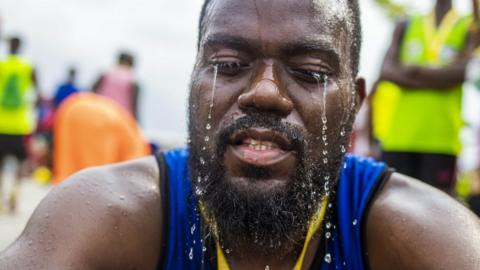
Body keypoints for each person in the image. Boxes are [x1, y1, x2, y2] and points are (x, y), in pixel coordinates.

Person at [1, 0, 479, 269]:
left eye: (310, 72)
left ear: (354, 102)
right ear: (192, 82)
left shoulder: (416, 233)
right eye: (229, 65)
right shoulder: (112, 215)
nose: (264, 93)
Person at [369, 0, 473, 194]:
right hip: (398, 138)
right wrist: (441, 77)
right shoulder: (406, 24)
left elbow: (465, 71)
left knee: (436, 212)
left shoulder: (468, 25)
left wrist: (412, 71)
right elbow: (386, 71)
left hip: (441, 141)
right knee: (392, 208)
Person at [52, 93, 150, 184]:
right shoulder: (139, 147)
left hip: (71, 107)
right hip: (99, 117)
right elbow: (131, 172)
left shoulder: (132, 129)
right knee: (95, 176)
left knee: (68, 160)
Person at [0, 36, 38, 213]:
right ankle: (15, 194)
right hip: (20, 123)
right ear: (21, 47)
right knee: (21, 162)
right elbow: (36, 92)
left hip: (1, 122)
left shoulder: (2, 64)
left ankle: (1, 197)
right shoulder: (28, 66)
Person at [92, 51, 140, 119]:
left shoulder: (105, 75)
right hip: (119, 118)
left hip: (99, 113)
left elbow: (91, 94)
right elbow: (134, 107)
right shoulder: (133, 82)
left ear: (118, 61)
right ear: (132, 65)